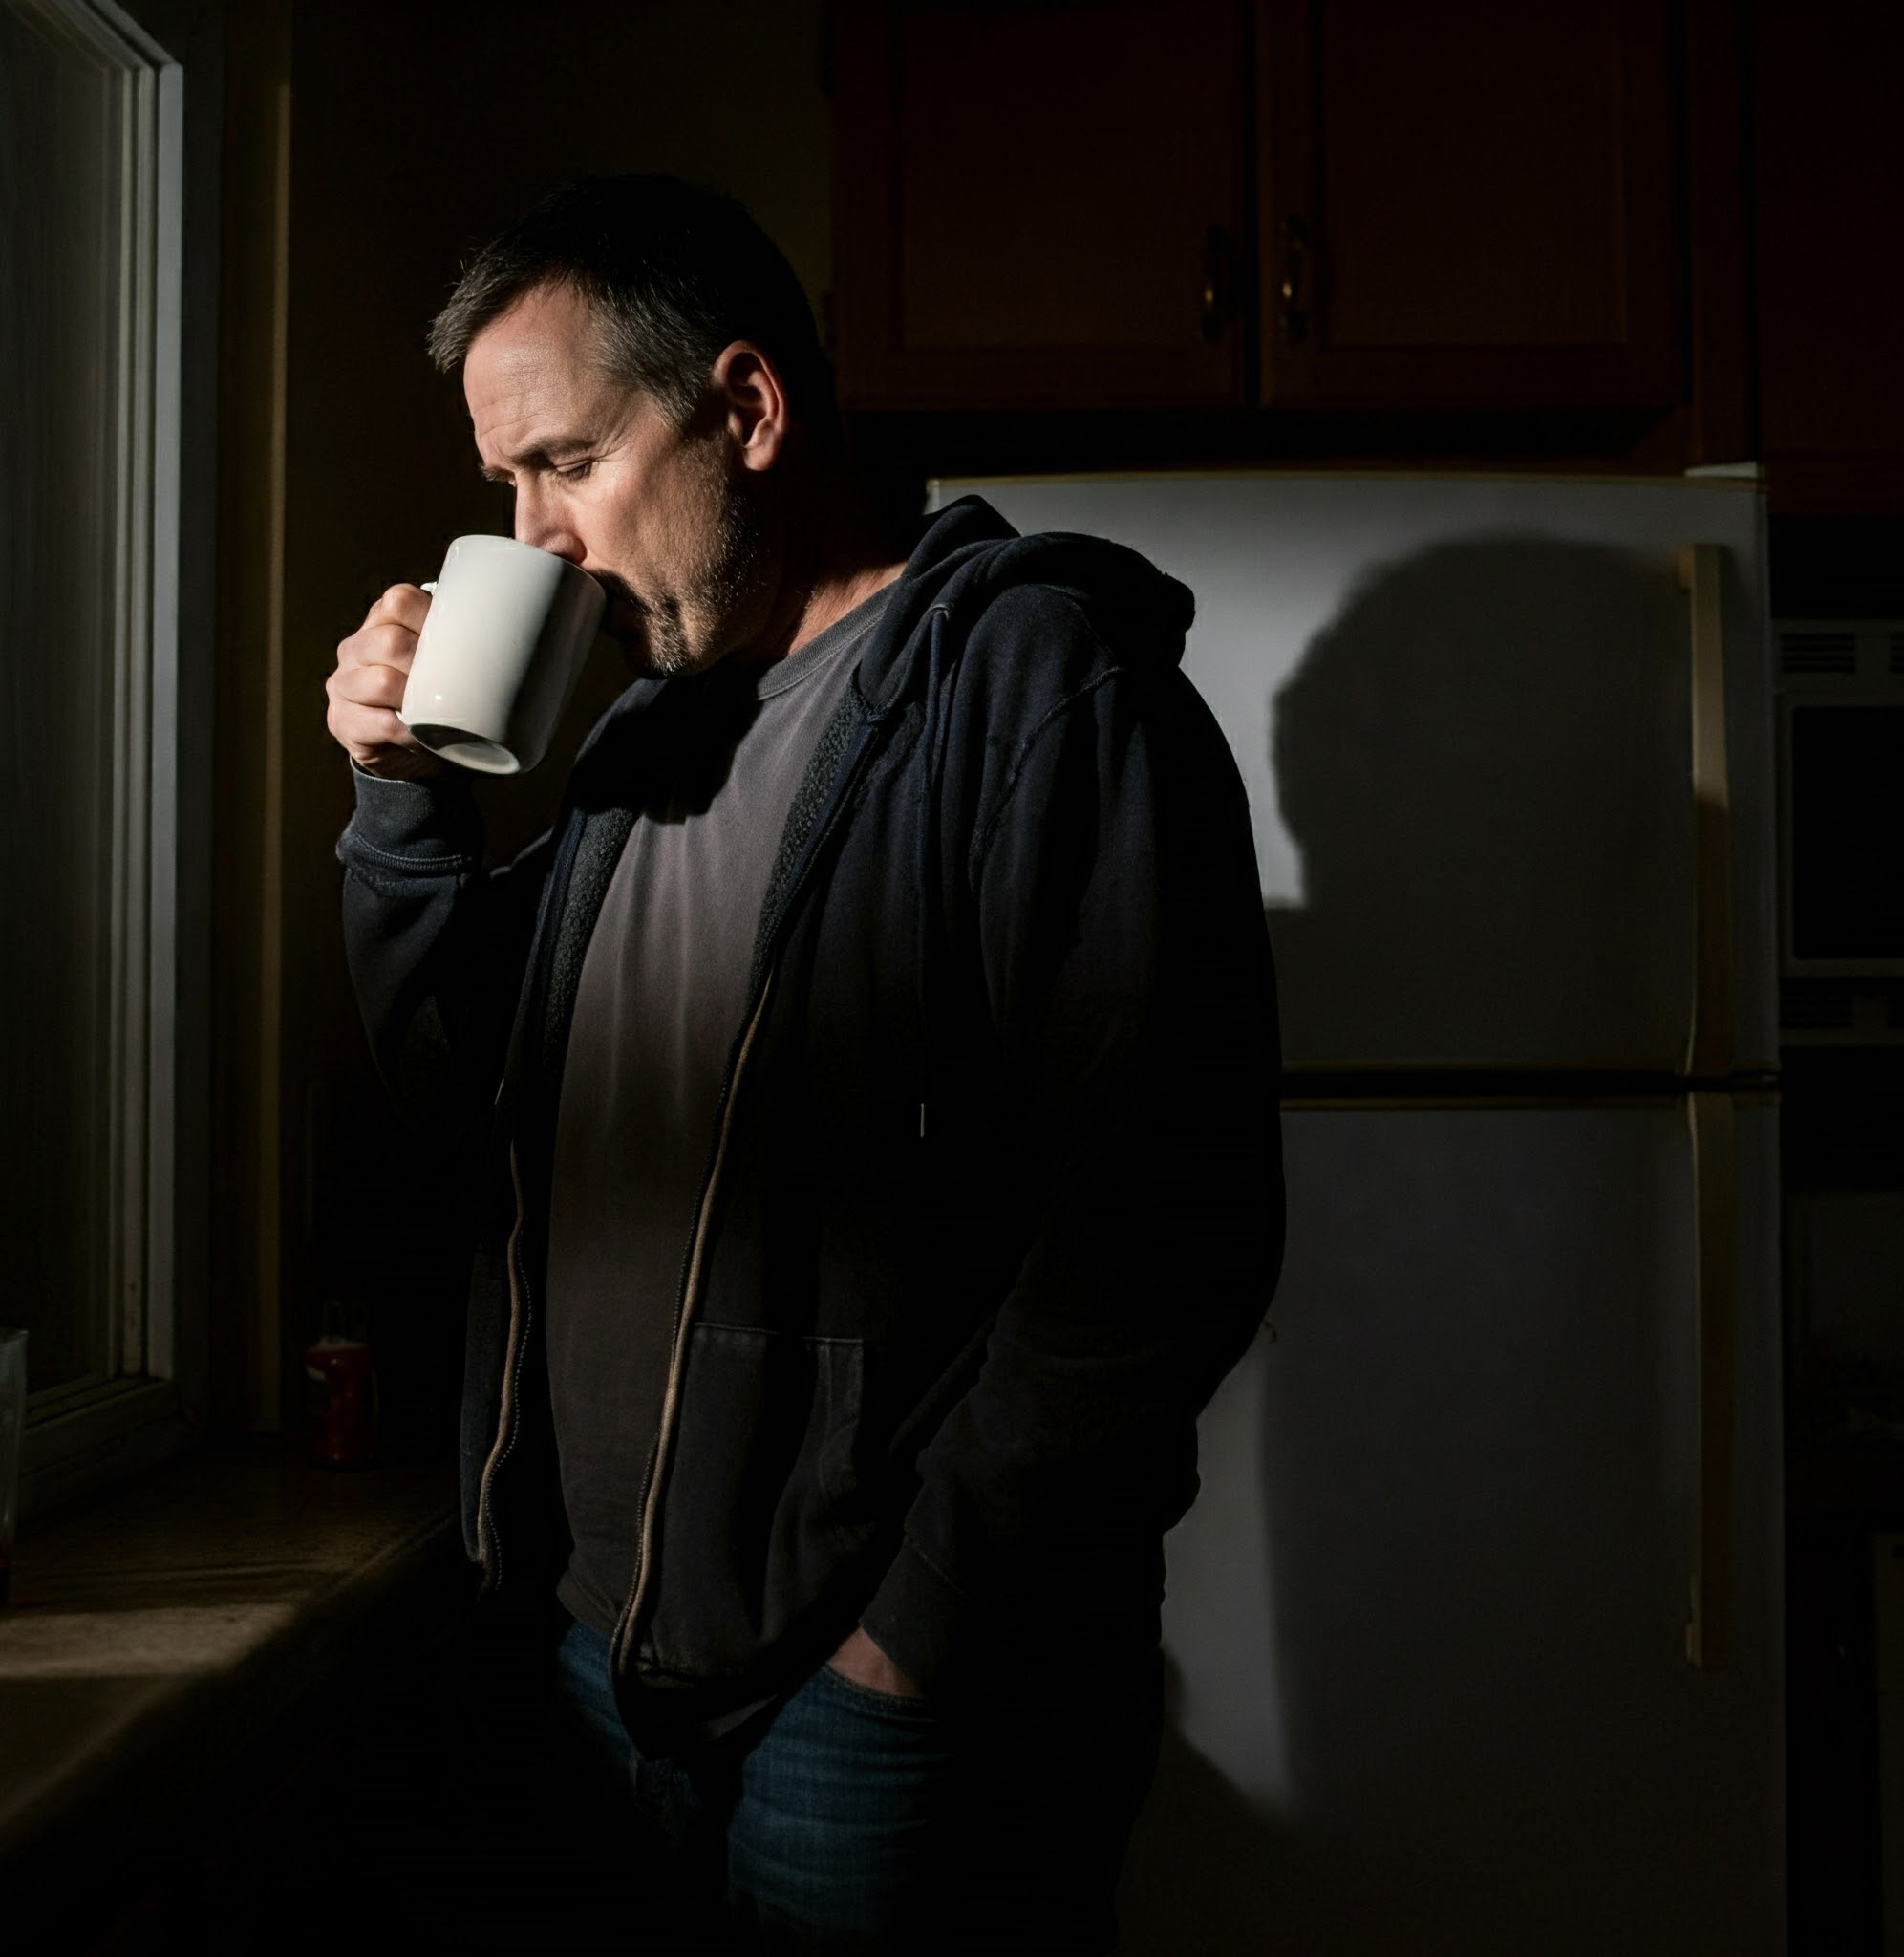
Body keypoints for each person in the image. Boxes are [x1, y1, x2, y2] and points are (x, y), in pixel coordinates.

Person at [326, 175, 1283, 1953]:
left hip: (892, 1709)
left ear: (747, 410)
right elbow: (463, 1090)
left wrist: (910, 1642)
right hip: (599, 1667)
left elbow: (1164, 1224)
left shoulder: (1032, 687)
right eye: (504, 489)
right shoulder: (645, 735)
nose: (535, 542)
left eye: (567, 464)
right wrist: (405, 801)